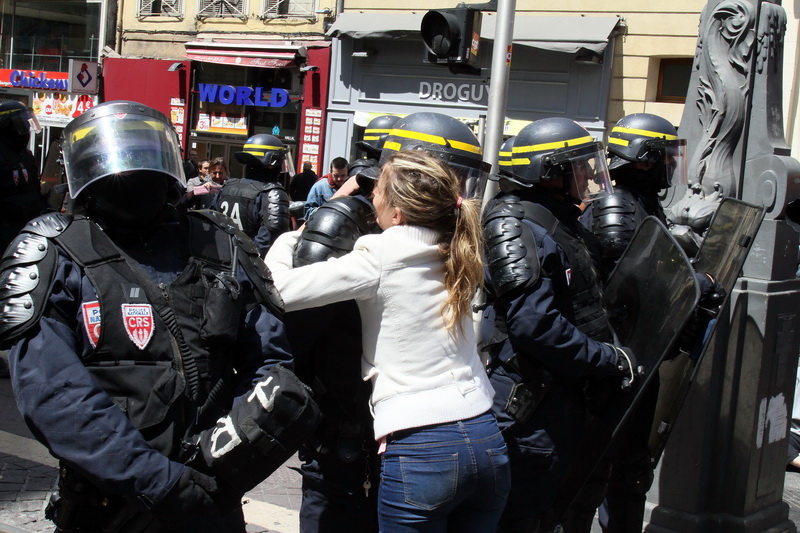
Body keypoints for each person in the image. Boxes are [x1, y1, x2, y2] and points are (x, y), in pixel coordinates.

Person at [0, 101, 296, 533]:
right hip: (106, 505)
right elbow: (53, 392)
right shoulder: (54, 253)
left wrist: (224, 462)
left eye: (143, 151)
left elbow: (272, 364)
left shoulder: (221, 244)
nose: (131, 168)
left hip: (207, 496)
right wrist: (156, 479)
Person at [266, 149, 510, 533]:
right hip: (486, 435)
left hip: (423, 447)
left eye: (377, 190)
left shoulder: (381, 254)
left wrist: (289, 238)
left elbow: (279, 289)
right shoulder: (457, 244)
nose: (370, 197)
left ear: (397, 215)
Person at [481, 117, 639, 532]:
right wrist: (606, 358)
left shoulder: (557, 219)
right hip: (530, 404)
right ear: (549, 172)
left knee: (551, 510)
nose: (589, 174)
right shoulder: (517, 225)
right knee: (522, 516)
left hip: (563, 396)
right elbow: (535, 326)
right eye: (579, 166)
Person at [211, 134, 291, 256]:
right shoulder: (272, 193)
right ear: (271, 163)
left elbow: (212, 222)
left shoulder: (227, 187)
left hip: (221, 259)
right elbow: (270, 242)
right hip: (250, 269)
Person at [0, 100, 44, 254]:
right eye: (21, 123)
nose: (26, 129)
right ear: (6, 125)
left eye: (27, 122)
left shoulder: (26, 156)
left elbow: (35, 192)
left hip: (27, 233)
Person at [304, 156, 348, 221]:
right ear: (330, 171)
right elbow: (307, 212)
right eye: (336, 175)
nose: (339, 179)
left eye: (343, 175)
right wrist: (322, 211)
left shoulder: (352, 187)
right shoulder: (319, 186)